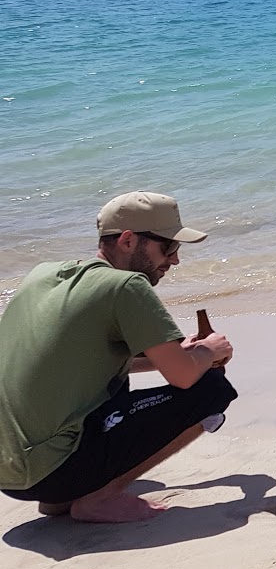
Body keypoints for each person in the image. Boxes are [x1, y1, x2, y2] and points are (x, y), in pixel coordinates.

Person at [0, 192, 237, 523]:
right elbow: (182, 377)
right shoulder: (126, 286)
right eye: (168, 247)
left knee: (116, 374)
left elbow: (80, 359)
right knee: (211, 388)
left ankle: (61, 500)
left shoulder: (42, 275)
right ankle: (99, 497)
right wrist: (210, 351)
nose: (175, 259)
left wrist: (182, 353)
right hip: (51, 471)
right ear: (128, 240)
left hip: (10, 473)